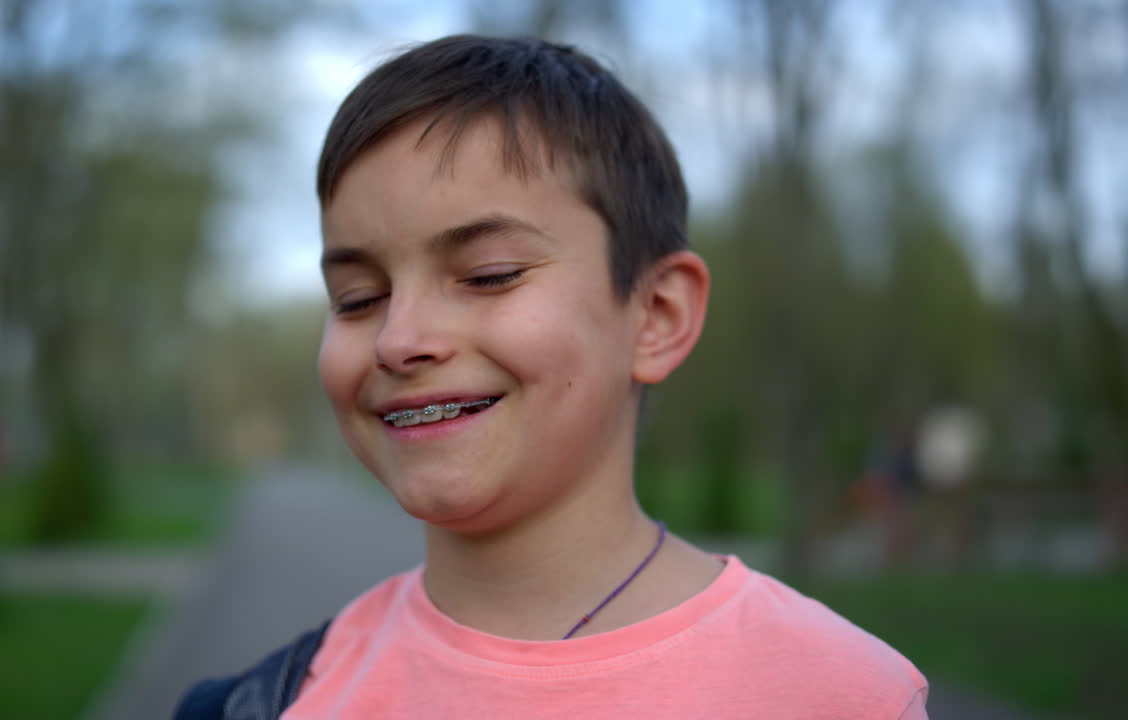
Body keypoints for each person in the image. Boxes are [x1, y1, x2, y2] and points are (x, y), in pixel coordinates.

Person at [176, 35, 929, 719]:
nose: (398, 340)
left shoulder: (841, 698)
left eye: (488, 275)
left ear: (657, 315)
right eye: (358, 298)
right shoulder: (265, 705)